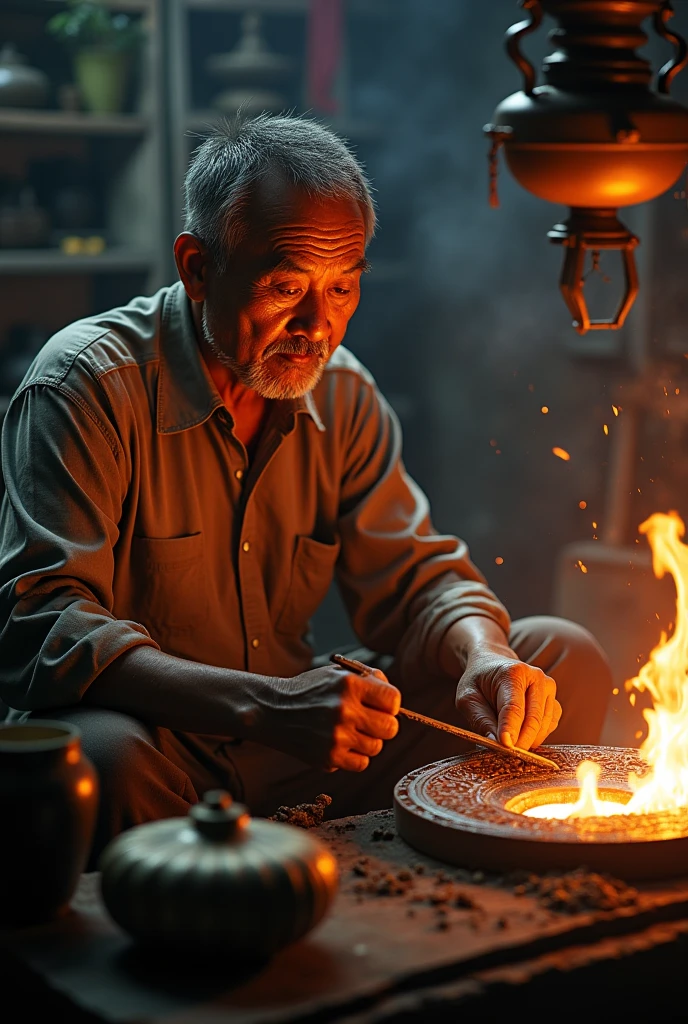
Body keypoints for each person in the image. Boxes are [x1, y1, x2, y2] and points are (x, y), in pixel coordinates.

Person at [0, 115, 610, 864]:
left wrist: (482, 655)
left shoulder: (344, 393)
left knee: (554, 655)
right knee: (97, 759)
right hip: (166, 748)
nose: (319, 326)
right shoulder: (89, 385)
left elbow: (418, 580)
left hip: (302, 746)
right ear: (197, 268)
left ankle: (491, 910)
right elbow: (42, 621)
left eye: (343, 286)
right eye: (286, 287)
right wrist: (262, 704)